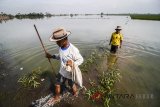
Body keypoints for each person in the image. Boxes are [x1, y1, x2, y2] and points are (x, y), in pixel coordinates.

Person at [45, 27, 84, 103]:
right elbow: (60, 56)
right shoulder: (61, 47)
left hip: (69, 72)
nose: (56, 43)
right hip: (63, 70)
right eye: (56, 41)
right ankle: (75, 93)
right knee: (66, 83)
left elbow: (81, 59)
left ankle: (57, 97)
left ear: (65, 39)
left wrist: (73, 63)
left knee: (60, 84)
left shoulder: (73, 50)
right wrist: (51, 56)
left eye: (58, 41)